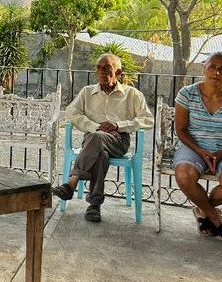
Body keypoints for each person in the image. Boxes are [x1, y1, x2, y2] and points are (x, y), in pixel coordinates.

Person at [52, 53, 153, 223]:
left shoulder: (132, 94)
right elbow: (71, 113)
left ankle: (72, 181)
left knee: (97, 140)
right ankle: (94, 206)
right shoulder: (87, 92)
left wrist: (118, 125)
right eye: (98, 68)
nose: (101, 72)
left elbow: (148, 119)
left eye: (107, 68)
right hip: (93, 140)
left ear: (118, 72)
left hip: (118, 141)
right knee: (101, 155)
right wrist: (95, 127)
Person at [173, 52, 222, 242]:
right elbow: (181, 130)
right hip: (193, 147)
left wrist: (221, 153)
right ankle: (214, 217)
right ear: (204, 68)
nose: (216, 72)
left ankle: (203, 211)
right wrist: (200, 151)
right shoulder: (187, 93)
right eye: (212, 66)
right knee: (184, 175)